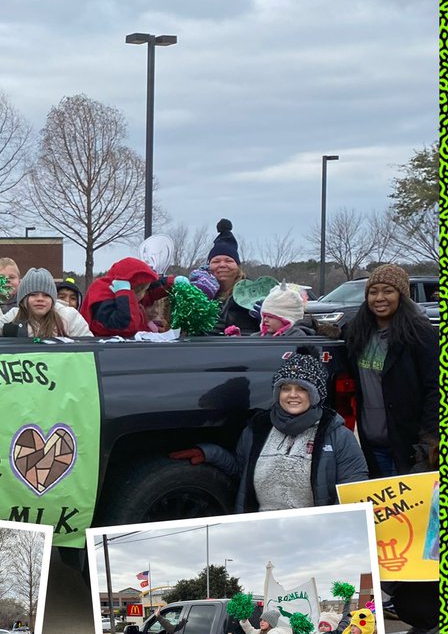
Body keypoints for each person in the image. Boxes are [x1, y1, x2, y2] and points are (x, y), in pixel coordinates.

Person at [171, 351, 368, 511]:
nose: (292, 395)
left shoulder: (337, 435)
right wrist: (209, 454)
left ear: (315, 394)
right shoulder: (258, 428)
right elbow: (242, 472)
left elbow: (354, 490)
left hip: (313, 536)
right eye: (285, 388)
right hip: (264, 531)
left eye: (301, 389)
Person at [341, 263, 437, 478]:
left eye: (388, 291)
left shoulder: (421, 334)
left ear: (401, 295)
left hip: (409, 446)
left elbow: (436, 389)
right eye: (373, 292)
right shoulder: (357, 332)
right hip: (371, 444)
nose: (379, 298)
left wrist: (430, 439)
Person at [0, 269, 92, 340]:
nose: (40, 299)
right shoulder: (14, 316)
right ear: (23, 299)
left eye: (46, 295)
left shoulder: (69, 316)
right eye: (33, 294)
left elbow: (89, 347)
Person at [81, 257, 170, 337]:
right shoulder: (103, 299)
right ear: (134, 289)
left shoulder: (126, 300)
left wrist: (170, 282)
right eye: (143, 290)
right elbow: (126, 327)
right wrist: (124, 293)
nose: (145, 294)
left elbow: (151, 292)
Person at [203, 219, 260, 333]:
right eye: (216, 261)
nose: (222, 265)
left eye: (228, 261)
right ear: (208, 266)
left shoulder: (253, 292)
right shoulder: (200, 294)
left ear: (237, 265)